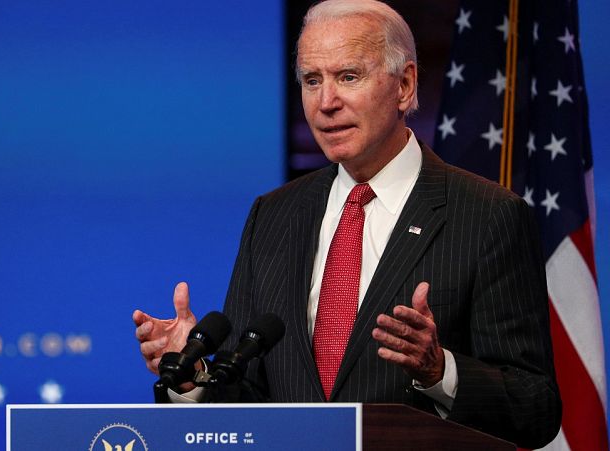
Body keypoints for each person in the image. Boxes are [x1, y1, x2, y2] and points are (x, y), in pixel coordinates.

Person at [133, 0, 561, 447]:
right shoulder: (273, 215)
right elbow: (250, 400)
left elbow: (535, 407)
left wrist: (440, 371)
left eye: (348, 77)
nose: (326, 102)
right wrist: (192, 377)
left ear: (405, 85)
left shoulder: (488, 214)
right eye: (312, 80)